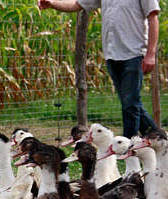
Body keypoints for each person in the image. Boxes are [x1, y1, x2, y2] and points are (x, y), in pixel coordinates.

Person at [38, 0, 160, 139]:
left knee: (130, 104)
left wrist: (150, 54)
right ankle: (159, 142)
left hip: (134, 53)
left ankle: (128, 147)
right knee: (131, 104)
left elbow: (153, 17)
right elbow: (78, 4)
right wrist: (52, 3)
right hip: (112, 54)